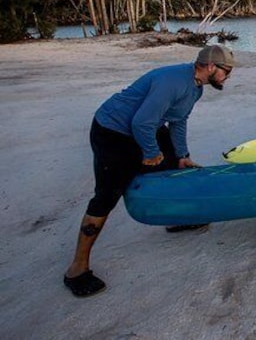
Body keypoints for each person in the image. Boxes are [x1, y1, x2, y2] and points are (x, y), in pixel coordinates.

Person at [63, 44, 236, 297]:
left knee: (174, 168)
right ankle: (76, 270)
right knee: (107, 196)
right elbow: (141, 122)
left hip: (144, 126)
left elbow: (178, 120)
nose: (228, 77)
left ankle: (176, 220)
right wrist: (151, 153)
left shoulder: (196, 87)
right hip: (113, 131)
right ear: (211, 66)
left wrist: (182, 154)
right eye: (227, 71)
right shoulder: (173, 82)